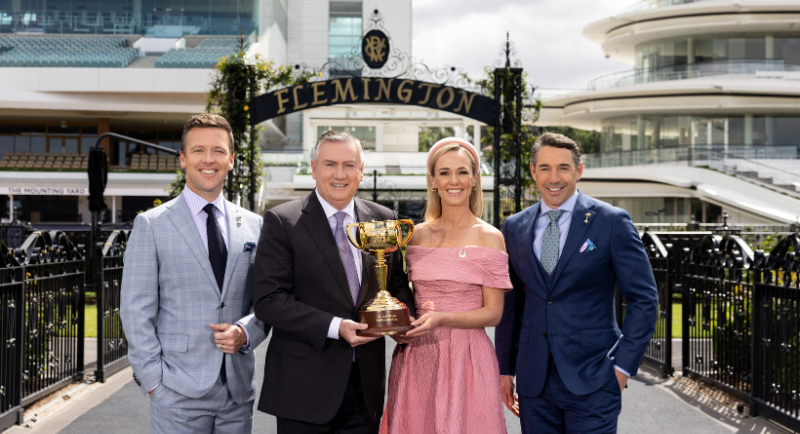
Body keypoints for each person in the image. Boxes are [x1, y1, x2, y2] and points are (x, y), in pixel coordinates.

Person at [252, 130, 415, 434]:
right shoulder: (281, 221)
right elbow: (269, 300)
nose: (340, 174)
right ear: (313, 168)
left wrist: (405, 319)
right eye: (329, 164)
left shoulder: (382, 218)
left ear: (362, 171)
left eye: (350, 165)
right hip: (303, 391)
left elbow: (394, 284)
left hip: (364, 391)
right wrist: (335, 327)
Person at [495, 132, 658, 433]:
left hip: (595, 378)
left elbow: (645, 300)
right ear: (533, 172)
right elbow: (511, 304)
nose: (553, 177)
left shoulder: (611, 222)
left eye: (563, 168)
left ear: (579, 170)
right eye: (544, 168)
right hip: (534, 383)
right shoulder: (514, 227)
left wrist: (620, 369)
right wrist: (504, 368)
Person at [120, 113, 268, 434]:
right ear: (183, 159)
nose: (208, 159)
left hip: (237, 391)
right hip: (176, 391)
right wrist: (154, 383)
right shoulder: (152, 224)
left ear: (231, 160)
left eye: (218, 151)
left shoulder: (255, 225)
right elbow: (135, 310)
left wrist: (245, 332)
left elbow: (266, 301)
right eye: (198, 150)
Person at [379, 137, 511, 434]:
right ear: (433, 180)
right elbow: (403, 293)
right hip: (416, 355)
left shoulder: (490, 237)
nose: (455, 180)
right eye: (445, 172)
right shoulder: (415, 235)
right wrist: (398, 325)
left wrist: (443, 318)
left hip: (468, 358)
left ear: (475, 178)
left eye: (463, 172)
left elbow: (493, 313)